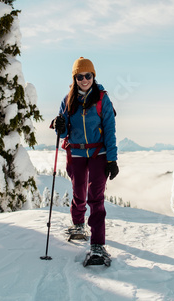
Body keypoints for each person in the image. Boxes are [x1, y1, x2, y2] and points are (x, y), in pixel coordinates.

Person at [52, 57, 119, 260]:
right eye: (79, 76)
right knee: (78, 191)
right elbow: (63, 133)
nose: (84, 80)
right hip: (77, 152)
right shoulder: (68, 100)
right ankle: (78, 224)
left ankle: (98, 245)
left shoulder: (102, 99)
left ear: (93, 76)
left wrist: (112, 159)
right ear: (75, 78)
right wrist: (59, 127)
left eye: (87, 75)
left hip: (99, 152)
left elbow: (109, 129)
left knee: (96, 198)